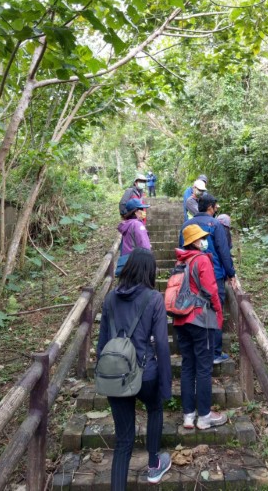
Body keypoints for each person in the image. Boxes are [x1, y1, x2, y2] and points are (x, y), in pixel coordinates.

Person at [97, 248, 172, 489]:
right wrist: (166, 383)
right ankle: (153, 466)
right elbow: (161, 344)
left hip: (115, 374)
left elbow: (102, 342)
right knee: (155, 409)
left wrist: (104, 374)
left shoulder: (109, 299)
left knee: (123, 440)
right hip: (146, 373)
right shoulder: (154, 299)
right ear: (150, 272)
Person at [172, 224, 227, 430]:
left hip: (181, 321)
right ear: (195, 241)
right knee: (204, 368)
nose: (205, 240)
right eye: (202, 238)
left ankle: (188, 415)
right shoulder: (201, 259)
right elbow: (212, 290)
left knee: (188, 367)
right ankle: (204, 417)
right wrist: (218, 315)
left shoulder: (180, 262)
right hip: (200, 320)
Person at [179, 194, 236, 364]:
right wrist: (231, 273)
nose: (216, 209)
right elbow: (223, 251)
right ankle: (215, 353)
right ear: (210, 207)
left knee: (193, 309)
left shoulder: (186, 224)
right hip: (214, 274)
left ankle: (196, 351)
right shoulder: (216, 224)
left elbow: (181, 250)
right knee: (215, 310)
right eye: (215, 206)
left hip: (191, 275)